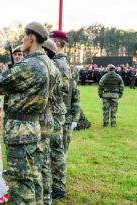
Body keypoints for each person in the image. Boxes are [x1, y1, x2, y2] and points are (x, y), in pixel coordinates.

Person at [0, 22, 52, 205]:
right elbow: (8, 77)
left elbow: (0, 85)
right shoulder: (47, 63)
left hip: (21, 130)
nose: (22, 40)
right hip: (35, 125)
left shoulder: (30, 65)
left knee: (20, 182)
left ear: (31, 38)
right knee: (33, 176)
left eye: (24, 36)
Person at [49, 30, 81, 199]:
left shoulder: (60, 63)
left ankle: (59, 186)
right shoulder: (59, 62)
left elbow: (73, 93)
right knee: (56, 149)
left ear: (58, 43)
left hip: (62, 113)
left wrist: (74, 117)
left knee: (57, 150)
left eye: (50, 40)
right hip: (61, 112)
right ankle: (55, 181)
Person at [41, 39, 62, 205]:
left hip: (48, 115)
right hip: (52, 114)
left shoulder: (47, 68)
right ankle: (48, 193)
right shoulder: (54, 67)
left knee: (49, 154)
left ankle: (54, 189)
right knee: (49, 155)